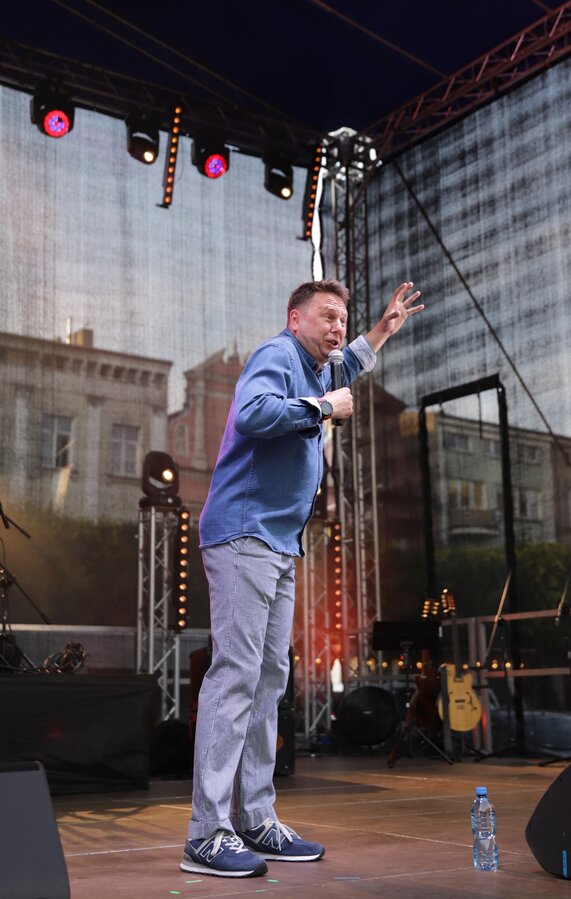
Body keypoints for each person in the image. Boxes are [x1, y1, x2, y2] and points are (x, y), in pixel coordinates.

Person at [180, 278, 424, 878]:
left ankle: (254, 819)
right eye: (327, 316)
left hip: (277, 544)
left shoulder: (319, 367)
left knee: (269, 680)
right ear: (295, 320)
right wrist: (321, 408)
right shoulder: (277, 354)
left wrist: (382, 330)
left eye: (343, 318)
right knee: (237, 675)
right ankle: (206, 834)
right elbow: (253, 413)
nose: (338, 327)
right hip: (244, 534)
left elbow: (349, 365)